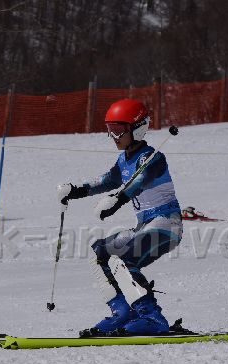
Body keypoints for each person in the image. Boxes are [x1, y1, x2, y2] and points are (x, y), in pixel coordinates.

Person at [57, 98, 183, 336]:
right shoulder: (124, 160)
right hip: (144, 226)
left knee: (124, 260)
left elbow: (140, 180)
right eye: (110, 130)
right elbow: (107, 181)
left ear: (138, 128)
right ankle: (124, 313)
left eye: (119, 130)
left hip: (166, 225)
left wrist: (119, 199)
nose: (114, 137)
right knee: (100, 253)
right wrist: (76, 191)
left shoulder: (153, 157)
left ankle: (153, 319)